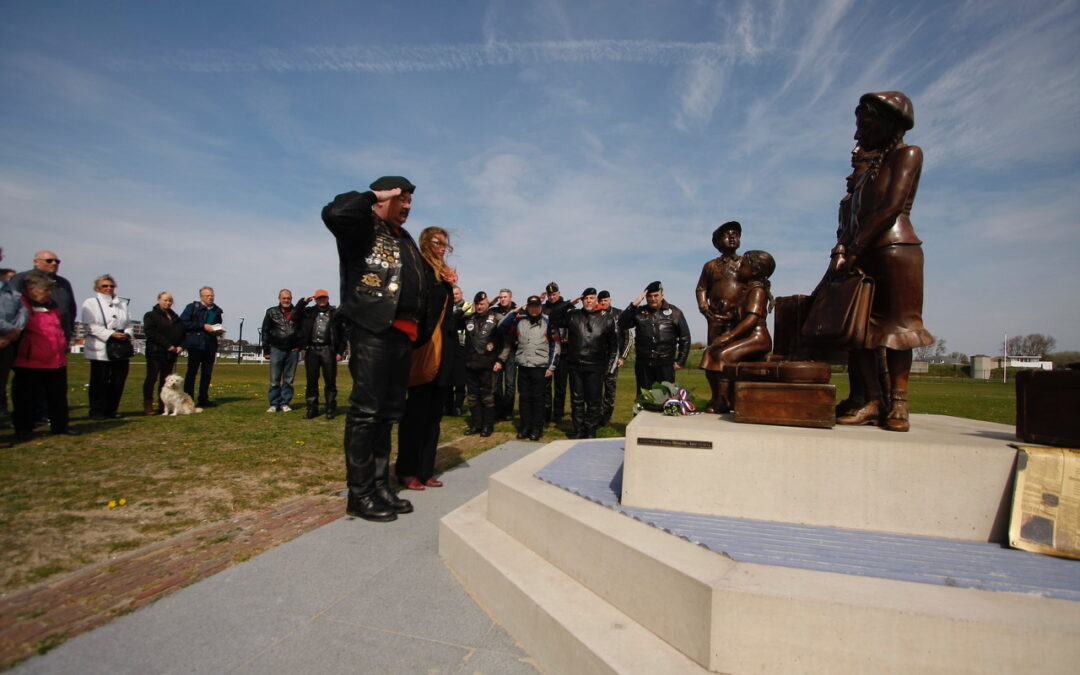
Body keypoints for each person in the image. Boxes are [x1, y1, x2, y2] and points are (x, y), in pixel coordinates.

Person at [322, 176, 433, 522]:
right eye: (403, 200)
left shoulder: (405, 239)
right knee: (366, 413)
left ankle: (379, 485)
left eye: (411, 202)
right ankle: (360, 493)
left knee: (388, 415)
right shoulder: (362, 227)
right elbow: (335, 213)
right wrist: (372, 196)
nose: (408, 208)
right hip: (373, 330)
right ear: (385, 198)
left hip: (402, 336)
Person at [832, 91, 932, 432]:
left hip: (894, 251)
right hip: (864, 253)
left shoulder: (907, 154)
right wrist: (843, 251)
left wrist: (854, 249)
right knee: (859, 331)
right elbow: (854, 218)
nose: (858, 135)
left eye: (865, 125)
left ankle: (899, 403)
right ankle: (872, 399)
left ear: (890, 123)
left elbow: (890, 207)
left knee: (900, 328)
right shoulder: (867, 169)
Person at [397, 226, 457, 490]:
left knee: (434, 417)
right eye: (438, 242)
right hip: (422, 350)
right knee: (415, 416)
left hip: (442, 352)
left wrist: (449, 284)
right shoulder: (419, 268)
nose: (443, 247)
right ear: (425, 243)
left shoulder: (443, 274)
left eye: (445, 244)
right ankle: (407, 470)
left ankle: (425, 470)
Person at [700, 251, 776, 412]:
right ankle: (717, 397)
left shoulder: (757, 291)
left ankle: (725, 401)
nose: (740, 266)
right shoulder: (746, 290)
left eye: (744, 264)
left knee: (723, 355)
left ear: (755, 271)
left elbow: (751, 320)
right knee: (709, 352)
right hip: (747, 335)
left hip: (758, 337)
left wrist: (729, 336)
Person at [8, 271, 75, 442]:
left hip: (56, 360)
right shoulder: (21, 305)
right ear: (30, 289)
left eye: (49, 290)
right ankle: (24, 428)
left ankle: (60, 426)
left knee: (58, 396)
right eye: (45, 290)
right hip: (30, 361)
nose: (48, 294)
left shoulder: (52, 306)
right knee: (26, 397)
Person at [550, 287, 618, 439]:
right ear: (581, 300)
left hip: (596, 366)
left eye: (591, 298)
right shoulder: (573, 315)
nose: (588, 301)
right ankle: (578, 429)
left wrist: (609, 367)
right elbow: (553, 317)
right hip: (575, 365)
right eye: (585, 298)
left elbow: (614, 346)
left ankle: (591, 429)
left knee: (594, 400)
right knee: (577, 399)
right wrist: (568, 303)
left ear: (596, 300)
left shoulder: (606, 318)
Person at [499, 295, 559, 441]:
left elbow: (555, 345)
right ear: (527, 307)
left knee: (538, 399)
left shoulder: (548, 322)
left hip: (540, 367)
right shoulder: (519, 320)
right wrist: (514, 311)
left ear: (540, 307)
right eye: (531, 306)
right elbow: (501, 327)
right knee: (524, 399)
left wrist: (551, 366)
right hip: (524, 366)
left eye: (537, 306)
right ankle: (524, 427)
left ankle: (537, 429)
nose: (534, 308)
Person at [619, 280, 691, 394]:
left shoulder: (675, 312)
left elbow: (685, 338)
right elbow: (622, 324)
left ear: (662, 294)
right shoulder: (638, 312)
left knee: (667, 398)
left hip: (665, 363)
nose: (653, 299)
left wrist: (681, 361)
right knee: (644, 398)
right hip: (643, 364)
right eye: (649, 296)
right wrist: (633, 305)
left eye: (656, 295)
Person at [81, 274, 133, 420]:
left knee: (118, 381)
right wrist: (110, 334)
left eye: (111, 286)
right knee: (99, 381)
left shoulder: (122, 304)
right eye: (105, 286)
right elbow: (90, 325)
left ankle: (112, 409)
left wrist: (126, 334)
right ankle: (96, 410)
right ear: (97, 288)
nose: (108, 288)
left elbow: (128, 323)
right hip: (101, 348)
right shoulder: (91, 303)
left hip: (120, 348)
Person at [460, 291, 505, 437]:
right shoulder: (468, 318)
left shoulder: (496, 319)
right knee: (472, 396)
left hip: (487, 363)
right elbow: (451, 323)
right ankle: (476, 425)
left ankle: (488, 426)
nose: (480, 307)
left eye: (482, 304)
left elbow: (504, 342)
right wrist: (463, 311)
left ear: (488, 304)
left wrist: (499, 360)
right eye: (477, 304)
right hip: (470, 363)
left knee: (487, 396)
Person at [297, 290, 346, 419]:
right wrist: (303, 302)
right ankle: (312, 409)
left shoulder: (335, 313)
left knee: (330, 381)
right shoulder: (309, 312)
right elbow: (295, 316)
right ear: (315, 299)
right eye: (319, 298)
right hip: (312, 350)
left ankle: (330, 409)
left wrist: (340, 352)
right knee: (311, 381)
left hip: (328, 350)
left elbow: (344, 333)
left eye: (323, 297)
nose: (321, 300)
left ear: (328, 298)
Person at [696, 222, 744, 349]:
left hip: (740, 316)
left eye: (735, 235)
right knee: (716, 350)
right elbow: (701, 288)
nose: (732, 237)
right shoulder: (711, 266)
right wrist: (704, 307)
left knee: (739, 349)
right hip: (716, 316)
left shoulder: (745, 264)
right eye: (726, 235)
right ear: (717, 242)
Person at [9, 250, 77, 341]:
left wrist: (69, 328)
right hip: (33, 337)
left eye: (57, 261)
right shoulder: (22, 279)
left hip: (60, 335)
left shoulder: (63, 283)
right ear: (36, 262)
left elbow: (71, 308)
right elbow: (13, 304)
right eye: (49, 260)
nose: (54, 263)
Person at [261, 289, 306, 413]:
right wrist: (266, 349)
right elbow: (265, 330)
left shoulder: (297, 313)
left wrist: (300, 346)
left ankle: (285, 402)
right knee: (275, 380)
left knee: (289, 380)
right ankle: (274, 404)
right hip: (277, 349)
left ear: (291, 299)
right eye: (284, 298)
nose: (286, 300)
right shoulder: (271, 312)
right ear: (279, 298)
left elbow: (304, 330)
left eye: (289, 298)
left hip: (293, 350)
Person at [142, 292, 186, 415]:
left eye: (170, 301)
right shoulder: (151, 316)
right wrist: (168, 345)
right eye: (165, 300)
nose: (167, 303)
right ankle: (148, 404)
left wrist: (181, 346)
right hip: (156, 352)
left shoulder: (176, 319)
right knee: (152, 378)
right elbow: (151, 333)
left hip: (171, 354)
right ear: (159, 300)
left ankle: (164, 404)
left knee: (166, 381)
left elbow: (183, 334)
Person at [180, 287, 224, 408]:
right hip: (196, 344)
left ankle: (203, 398)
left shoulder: (217, 311)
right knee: (192, 372)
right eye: (207, 296)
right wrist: (202, 326)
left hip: (210, 344)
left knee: (207, 373)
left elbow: (217, 324)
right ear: (201, 297)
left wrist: (218, 331)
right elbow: (184, 322)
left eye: (212, 295)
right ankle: (189, 399)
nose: (210, 297)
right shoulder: (192, 308)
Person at [596, 290, 629, 427]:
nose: (603, 303)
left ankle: (606, 418)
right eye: (601, 301)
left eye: (606, 300)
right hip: (597, 359)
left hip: (614, 358)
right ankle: (596, 416)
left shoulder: (619, 314)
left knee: (610, 390)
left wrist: (623, 356)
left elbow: (628, 337)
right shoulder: (596, 314)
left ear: (610, 300)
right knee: (596, 389)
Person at [540, 281, 570, 423]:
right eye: (549, 295)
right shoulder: (543, 308)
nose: (551, 297)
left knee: (560, 386)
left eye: (554, 294)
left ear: (559, 293)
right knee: (545, 386)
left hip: (564, 352)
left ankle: (558, 414)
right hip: (547, 351)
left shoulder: (567, 308)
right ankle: (545, 414)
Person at [489, 288, 517, 420]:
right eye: (500, 297)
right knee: (497, 384)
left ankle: (508, 411)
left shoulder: (517, 311)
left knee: (510, 384)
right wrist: (490, 303)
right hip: (498, 351)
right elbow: (480, 309)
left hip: (511, 351)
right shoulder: (494, 311)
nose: (502, 299)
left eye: (505, 297)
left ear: (510, 298)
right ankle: (498, 410)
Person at [443, 285, 470, 417]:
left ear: (462, 293)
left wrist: (458, 313)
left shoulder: (469, 306)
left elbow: (464, 320)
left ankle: (458, 406)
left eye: (457, 294)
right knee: (447, 379)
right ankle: (447, 406)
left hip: (462, 347)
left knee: (460, 380)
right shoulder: (446, 308)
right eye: (453, 294)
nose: (455, 296)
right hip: (448, 347)